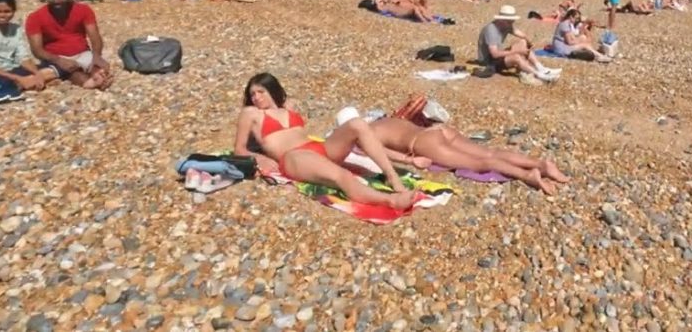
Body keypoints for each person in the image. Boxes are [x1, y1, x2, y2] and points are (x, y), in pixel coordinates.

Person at [232, 73, 416, 209]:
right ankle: (389, 200)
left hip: (318, 148)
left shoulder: (288, 108)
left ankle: (392, 176)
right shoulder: (250, 113)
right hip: (295, 158)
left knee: (358, 124)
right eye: (253, 94)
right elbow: (239, 149)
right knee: (342, 175)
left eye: (260, 91)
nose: (256, 97)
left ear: (272, 91)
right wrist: (261, 158)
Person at [341, 108, 570, 195]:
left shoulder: (365, 135)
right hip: (438, 131)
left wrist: (411, 161)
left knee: (482, 163)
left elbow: (382, 154)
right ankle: (541, 164)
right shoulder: (383, 120)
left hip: (422, 143)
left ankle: (527, 175)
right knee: (489, 152)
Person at [0, 0, 61, 103]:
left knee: (54, 67)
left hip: (10, 68)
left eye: (7, 11)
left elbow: (22, 57)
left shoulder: (15, 29)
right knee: (2, 81)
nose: (2, 15)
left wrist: (37, 74)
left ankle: (19, 84)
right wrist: (18, 78)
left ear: (13, 11)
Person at [25, 0, 113, 90]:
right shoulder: (35, 18)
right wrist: (59, 60)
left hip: (82, 53)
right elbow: (37, 50)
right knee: (70, 70)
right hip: (56, 56)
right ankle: (88, 82)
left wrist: (97, 56)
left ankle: (98, 79)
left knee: (100, 67)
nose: (56, 1)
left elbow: (95, 37)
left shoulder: (84, 10)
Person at [478, 5, 559, 85]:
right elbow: (494, 54)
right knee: (516, 56)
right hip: (488, 62)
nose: (512, 23)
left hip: (497, 56)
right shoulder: (491, 30)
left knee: (522, 42)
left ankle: (541, 68)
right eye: (510, 21)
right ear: (502, 20)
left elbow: (521, 35)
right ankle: (539, 75)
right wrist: (517, 51)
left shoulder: (505, 25)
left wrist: (529, 42)